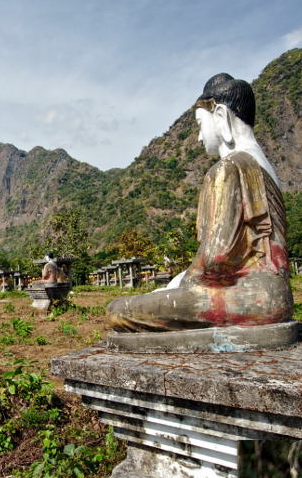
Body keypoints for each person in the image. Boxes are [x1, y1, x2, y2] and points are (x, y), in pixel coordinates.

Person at [107, 74, 292, 331]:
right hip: (278, 295)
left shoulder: (228, 169)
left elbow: (215, 259)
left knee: (117, 311)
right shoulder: (267, 169)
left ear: (220, 117)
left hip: (247, 299)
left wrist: (177, 286)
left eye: (199, 124)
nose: (198, 137)